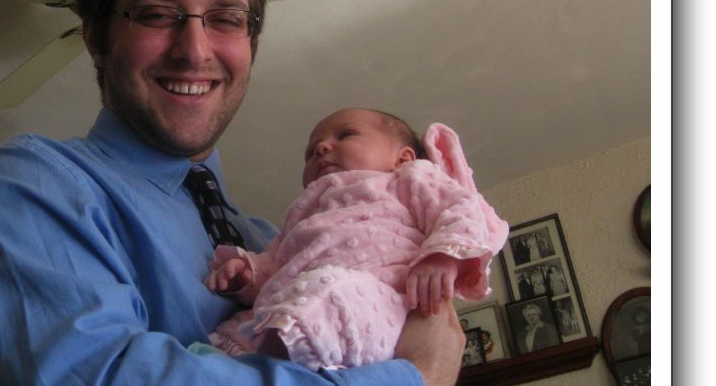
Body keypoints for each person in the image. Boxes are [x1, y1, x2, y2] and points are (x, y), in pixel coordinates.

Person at [0, 0, 467, 386]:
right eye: (155, 14)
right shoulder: (27, 185)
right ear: (96, 39)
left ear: (250, 45)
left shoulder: (276, 243)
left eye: (226, 19)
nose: (194, 50)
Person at [204, 108, 508, 370]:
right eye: (310, 152)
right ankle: (224, 367)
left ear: (403, 158)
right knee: (243, 326)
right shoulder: (302, 212)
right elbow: (278, 260)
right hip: (295, 298)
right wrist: (248, 273)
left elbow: (459, 208)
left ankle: (277, 359)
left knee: (332, 293)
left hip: (379, 298)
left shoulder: (409, 178)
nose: (321, 147)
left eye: (346, 135)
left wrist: (442, 256)